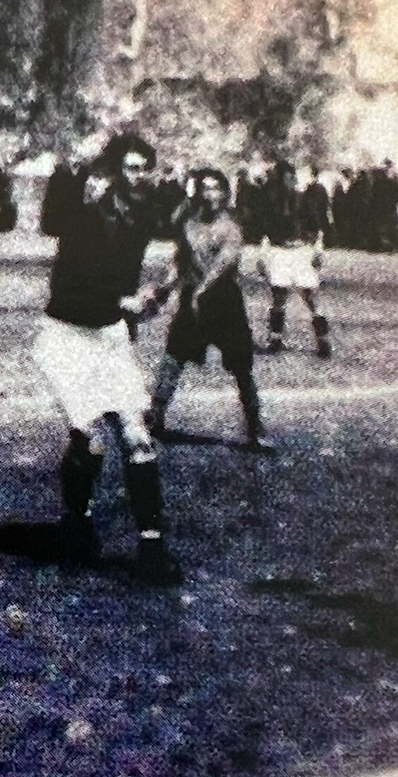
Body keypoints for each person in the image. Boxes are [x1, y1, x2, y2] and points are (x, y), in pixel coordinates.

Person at [31, 132, 182, 586]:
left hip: (110, 336)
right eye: (130, 168)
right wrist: (124, 301)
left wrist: (163, 289)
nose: (138, 177)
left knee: (138, 437)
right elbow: (68, 288)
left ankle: (152, 548)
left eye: (144, 169)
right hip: (68, 334)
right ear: (115, 171)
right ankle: (77, 523)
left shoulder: (144, 215)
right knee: (91, 437)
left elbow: (181, 244)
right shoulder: (86, 213)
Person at [148, 167, 272, 452]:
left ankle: (256, 427)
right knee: (174, 356)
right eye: (205, 188)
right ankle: (155, 417)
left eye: (216, 189)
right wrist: (165, 288)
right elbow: (179, 260)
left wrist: (200, 293)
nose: (210, 195)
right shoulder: (188, 223)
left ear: (226, 193)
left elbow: (223, 264)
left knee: (241, 364)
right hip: (193, 298)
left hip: (223, 300)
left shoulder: (232, 226)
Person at [258, 154, 331, 358]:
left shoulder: (304, 198)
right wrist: (264, 254)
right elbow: (266, 230)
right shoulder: (272, 201)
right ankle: (275, 339)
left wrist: (318, 250)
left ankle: (322, 341)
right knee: (281, 295)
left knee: (308, 296)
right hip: (282, 250)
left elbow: (316, 227)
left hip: (299, 250)